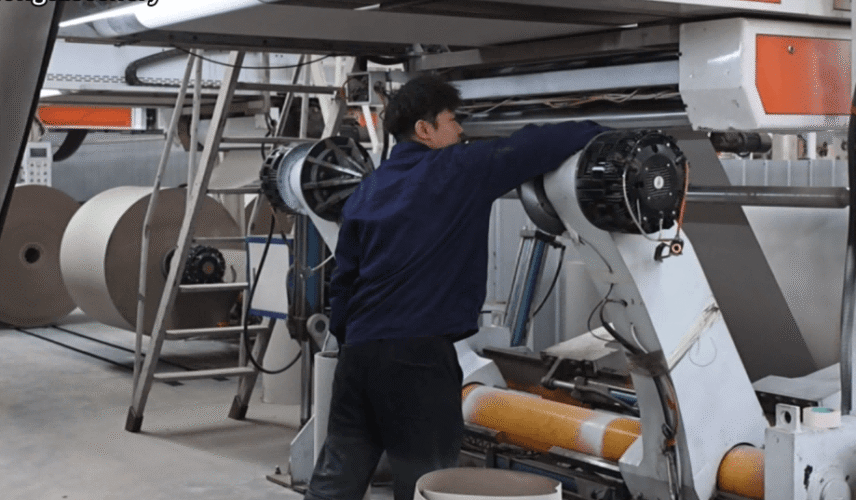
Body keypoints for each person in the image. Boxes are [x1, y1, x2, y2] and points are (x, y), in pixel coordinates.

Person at [304, 75, 608, 500]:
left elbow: (343, 281)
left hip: (358, 356)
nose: (461, 130)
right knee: (426, 483)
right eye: (452, 120)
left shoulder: (369, 189)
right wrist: (604, 132)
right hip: (418, 361)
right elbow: (533, 145)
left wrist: (352, 338)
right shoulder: (457, 169)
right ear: (425, 129)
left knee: (338, 476)